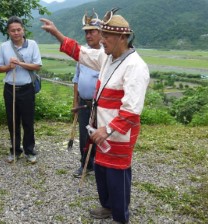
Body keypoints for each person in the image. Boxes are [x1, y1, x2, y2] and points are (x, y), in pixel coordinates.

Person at [41, 8, 150, 224]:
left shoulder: (136, 66)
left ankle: (121, 216)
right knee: (101, 169)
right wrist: (57, 34)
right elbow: (81, 53)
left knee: (117, 173)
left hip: (118, 133)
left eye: (106, 36)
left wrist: (108, 129)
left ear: (121, 37)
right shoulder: (107, 57)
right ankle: (107, 206)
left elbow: (131, 110)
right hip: (100, 128)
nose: (102, 41)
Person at [0, 16, 42, 164]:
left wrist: (20, 63)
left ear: (23, 30)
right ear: (8, 32)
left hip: (27, 88)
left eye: (18, 29)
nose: (16, 33)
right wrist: (9, 67)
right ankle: (15, 150)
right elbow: (0, 68)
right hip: (10, 88)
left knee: (28, 121)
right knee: (12, 121)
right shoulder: (4, 47)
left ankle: (29, 150)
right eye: (12, 30)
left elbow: (37, 66)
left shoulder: (32, 44)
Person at [72, 14, 103, 178]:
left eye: (92, 32)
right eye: (86, 32)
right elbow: (76, 79)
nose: (88, 35)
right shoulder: (82, 54)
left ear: (101, 33)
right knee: (84, 136)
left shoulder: (107, 55)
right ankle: (85, 164)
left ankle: (100, 166)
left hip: (100, 106)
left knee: (99, 135)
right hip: (84, 103)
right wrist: (75, 101)